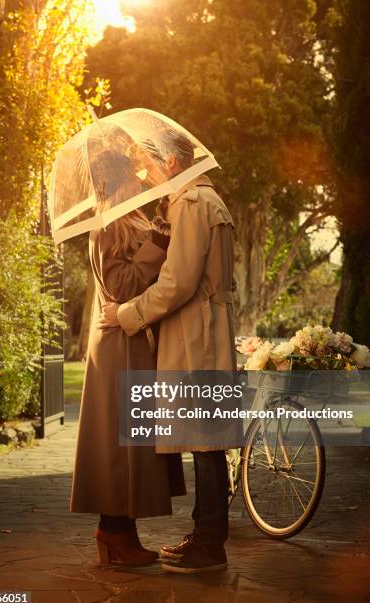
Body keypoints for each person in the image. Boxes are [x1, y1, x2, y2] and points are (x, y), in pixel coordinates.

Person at [100, 131, 241, 573]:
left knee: (205, 442)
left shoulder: (191, 203)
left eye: (150, 163)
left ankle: (208, 544)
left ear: (172, 164)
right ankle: (204, 534)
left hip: (195, 333)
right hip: (204, 329)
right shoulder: (204, 199)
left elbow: (177, 283)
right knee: (207, 439)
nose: (146, 173)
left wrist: (126, 313)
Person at [70, 150, 185, 566]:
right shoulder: (105, 227)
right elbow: (122, 287)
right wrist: (157, 243)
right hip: (119, 345)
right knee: (120, 444)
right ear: (115, 183)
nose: (140, 181)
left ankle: (122, 533)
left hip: (132, 338)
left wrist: (158, 232)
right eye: (133, 177)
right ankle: (113, 534)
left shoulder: (130, 220)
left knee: (131, 442)